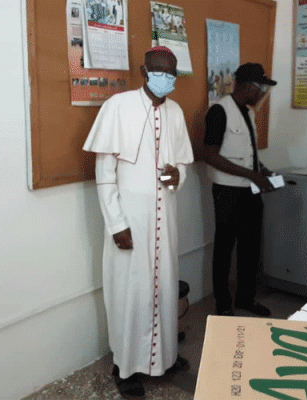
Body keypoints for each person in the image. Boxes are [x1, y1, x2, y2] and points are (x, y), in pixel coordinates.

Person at [83, 46, 194, 399]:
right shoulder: (118, 106)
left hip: (166, 219)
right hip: (131, 218)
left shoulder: (175, 112)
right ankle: (126, 366)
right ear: (144, 71)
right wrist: (116, 223)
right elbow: (104, 172)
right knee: (129, 292)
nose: (166, 78)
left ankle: (165, 357)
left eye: (171, 73)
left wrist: (179, 175)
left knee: (163, 289)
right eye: (159, 71)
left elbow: (184, 164)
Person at [202, 62, 277, 317]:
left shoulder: (249, 113)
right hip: (228, 192)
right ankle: (223, 303)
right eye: (260, 89)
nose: (262, 94)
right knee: (224, 247)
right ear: (246, 86)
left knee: (250, 247)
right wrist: (251, 174)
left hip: (250, 191)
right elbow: (210, 155)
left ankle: (246, 298)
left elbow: (247, 153)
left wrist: (261, 170)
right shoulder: (219, 112)